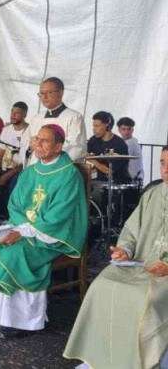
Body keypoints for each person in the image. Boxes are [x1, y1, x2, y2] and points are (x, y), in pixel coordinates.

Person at [0, 124, 87, 339]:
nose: (38, 144)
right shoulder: (30, 172)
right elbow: (15, 206)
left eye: (45, 140)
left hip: (52, 236)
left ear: (59, 146)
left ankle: (18, 321)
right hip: (22, 229)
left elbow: (59, 217)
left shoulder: (69, 175)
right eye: (37, 139)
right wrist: (20, 228)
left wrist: (25, 232)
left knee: (14, 255)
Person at [64, 146, 168, 369]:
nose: (165, 170)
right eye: (162, 162)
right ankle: (101, 358)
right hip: (141, 262)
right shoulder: (152, 194)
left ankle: (139, 362)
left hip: (164, 274)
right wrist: (126, 250)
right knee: (103, 284)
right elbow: (132, 230)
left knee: (142, 296)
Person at [19, 77, 86, 166]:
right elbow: (25, 144)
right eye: (42, 93)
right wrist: (30, 146)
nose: (45, 97)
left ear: (61, 93)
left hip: (58, 171)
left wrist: (49, 161)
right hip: (35, 169)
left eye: (49, 92)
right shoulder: (36, 118)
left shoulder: (74, 117)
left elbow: (76, 148)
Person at [0, 101, 29, 218]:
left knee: (13, 184)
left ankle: (11, 217)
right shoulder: (6, 130)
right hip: (5, 167)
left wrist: (6, 176)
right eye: (12, 112)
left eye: (17, 113)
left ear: (24, 115)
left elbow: (24, 162)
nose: (13, 115)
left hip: (21, 170)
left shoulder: (29, 131)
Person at [87, 111, 130, 183]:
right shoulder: (93, 141)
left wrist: (93, 161)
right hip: (96, 182)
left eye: (97, 126)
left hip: (116, 183)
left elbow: (109, 171)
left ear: (107, 125)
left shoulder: (120, 144)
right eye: (93, 126)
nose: (94, 129)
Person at [117, 116, 144, 182]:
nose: (126, 132)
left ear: (132, 130)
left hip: (132, 179)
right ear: (119, 130)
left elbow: (120, 159)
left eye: (129, 129)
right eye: (124, 129)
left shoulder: (131, 143)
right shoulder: (125, 142)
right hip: (132, 177)